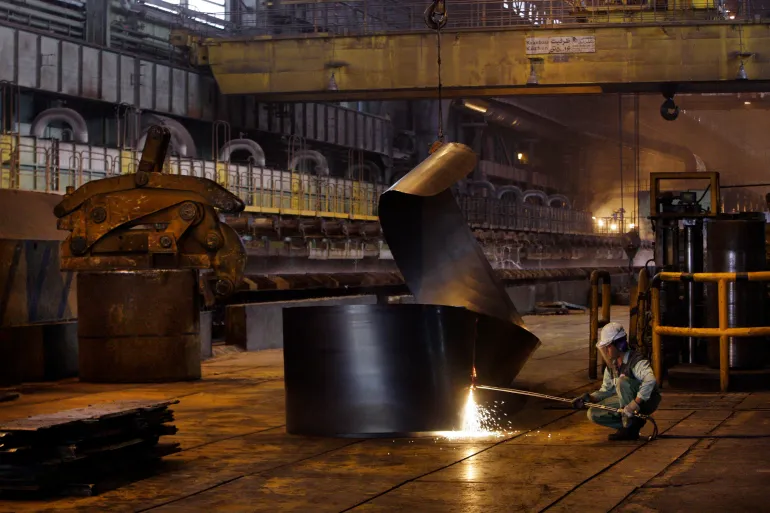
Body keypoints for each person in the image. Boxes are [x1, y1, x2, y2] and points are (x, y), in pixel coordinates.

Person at [572, 322, 661, 441]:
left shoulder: (636, 360)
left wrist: (635, 403)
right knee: (593, 413)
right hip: (627, 401)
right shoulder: (612, 366)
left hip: (647, 400)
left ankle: (629, 426)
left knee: (622, 381)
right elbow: (606, 391)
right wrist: (588, 398)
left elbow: (650, 381)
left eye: (608, 346)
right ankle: (631, 425)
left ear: (620, 345)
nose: (606, 351)